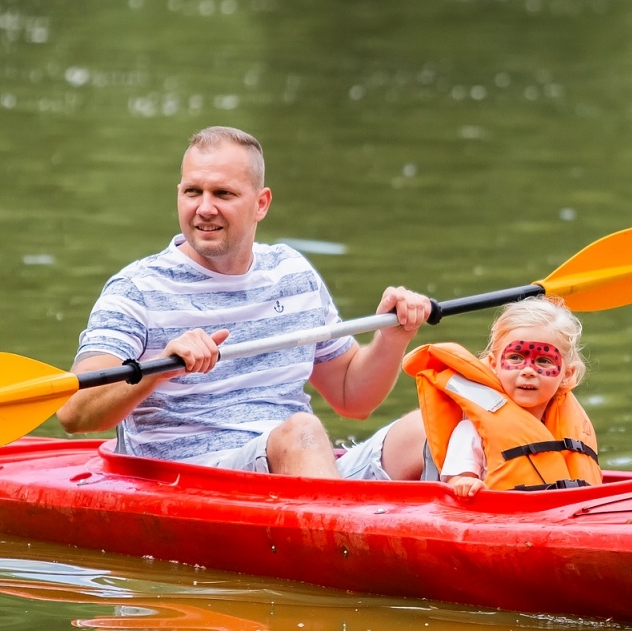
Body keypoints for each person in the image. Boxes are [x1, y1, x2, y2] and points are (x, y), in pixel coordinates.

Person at [56, 126, 431, 478]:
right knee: (302, 432)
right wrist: (159, 367)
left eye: (223, 194)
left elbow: (353, 398)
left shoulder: (291, 272)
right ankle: (344, 537)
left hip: (301, 462)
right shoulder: (136, 288)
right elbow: (75, 412)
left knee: (431, 425)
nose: (204, 208)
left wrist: (394, 335)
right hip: (195, 480)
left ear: (261, 203)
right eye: (192, 192)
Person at [371, 297, 632, 495]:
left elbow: (584, 494)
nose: (528, 371)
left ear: (568, 374)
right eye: (516, 359)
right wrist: (466, 483)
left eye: (543, 361)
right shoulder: (472, 431)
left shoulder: (565, 430)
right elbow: (457, 480)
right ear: (493, 364)